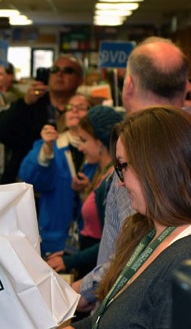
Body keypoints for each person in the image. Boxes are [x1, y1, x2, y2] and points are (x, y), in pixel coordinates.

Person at [0, 106, 191, 329]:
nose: (119, 181)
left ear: (155, 167)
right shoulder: (149, 237)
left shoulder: (182, 261)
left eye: (124, 167)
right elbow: (107, 324)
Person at [74, 37, 189, 312]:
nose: (123, 179)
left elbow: (126, 257)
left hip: (130, 316)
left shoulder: (138, 153)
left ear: (129, 85)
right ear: (185, 88)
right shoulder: (181, 138)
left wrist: (69, 296)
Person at [46, 106, 124, 279]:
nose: (81, 148)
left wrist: (71, 261)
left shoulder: (112, 180)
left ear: (100, 141)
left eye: (84, 140)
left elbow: (111, 243)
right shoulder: (101, 174)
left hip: (97, 270)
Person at [18, 93, 95, 256]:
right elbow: (28, 179)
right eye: (70, 108)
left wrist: (90, 188)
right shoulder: (51, 145)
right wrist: (47, 149)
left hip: (89, 238)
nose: (74, 111)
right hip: (53, 237)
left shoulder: (99, 149)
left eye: (81, 107)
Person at [0, 55, 84, 184]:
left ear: (80, 79)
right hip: (26, 185)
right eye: (54, 70)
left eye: (68, 70)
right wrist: (25, 102)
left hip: (67, 186)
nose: (59, 74)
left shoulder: (83, 110)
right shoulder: (31, 104)